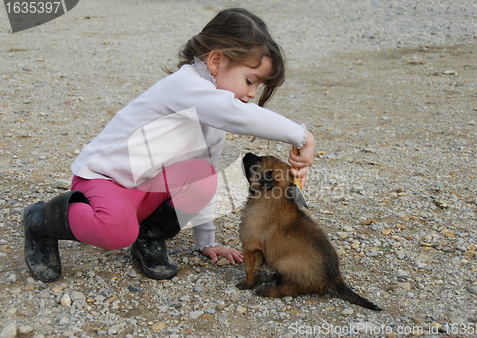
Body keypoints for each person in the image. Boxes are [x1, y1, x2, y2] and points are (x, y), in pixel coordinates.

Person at [21, 8, 316, 283]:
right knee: (115, 231)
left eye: (258, 87)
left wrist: (207, 241)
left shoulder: (215, 117)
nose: (252, 94)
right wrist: (302, 136)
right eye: (250, 81)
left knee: (204, 177)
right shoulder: (184, 86)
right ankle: (40, 220)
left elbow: (206, 175)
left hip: (144, 190)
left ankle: (148, 237)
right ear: (216, 61)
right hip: (104, 180)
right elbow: (235, 113)